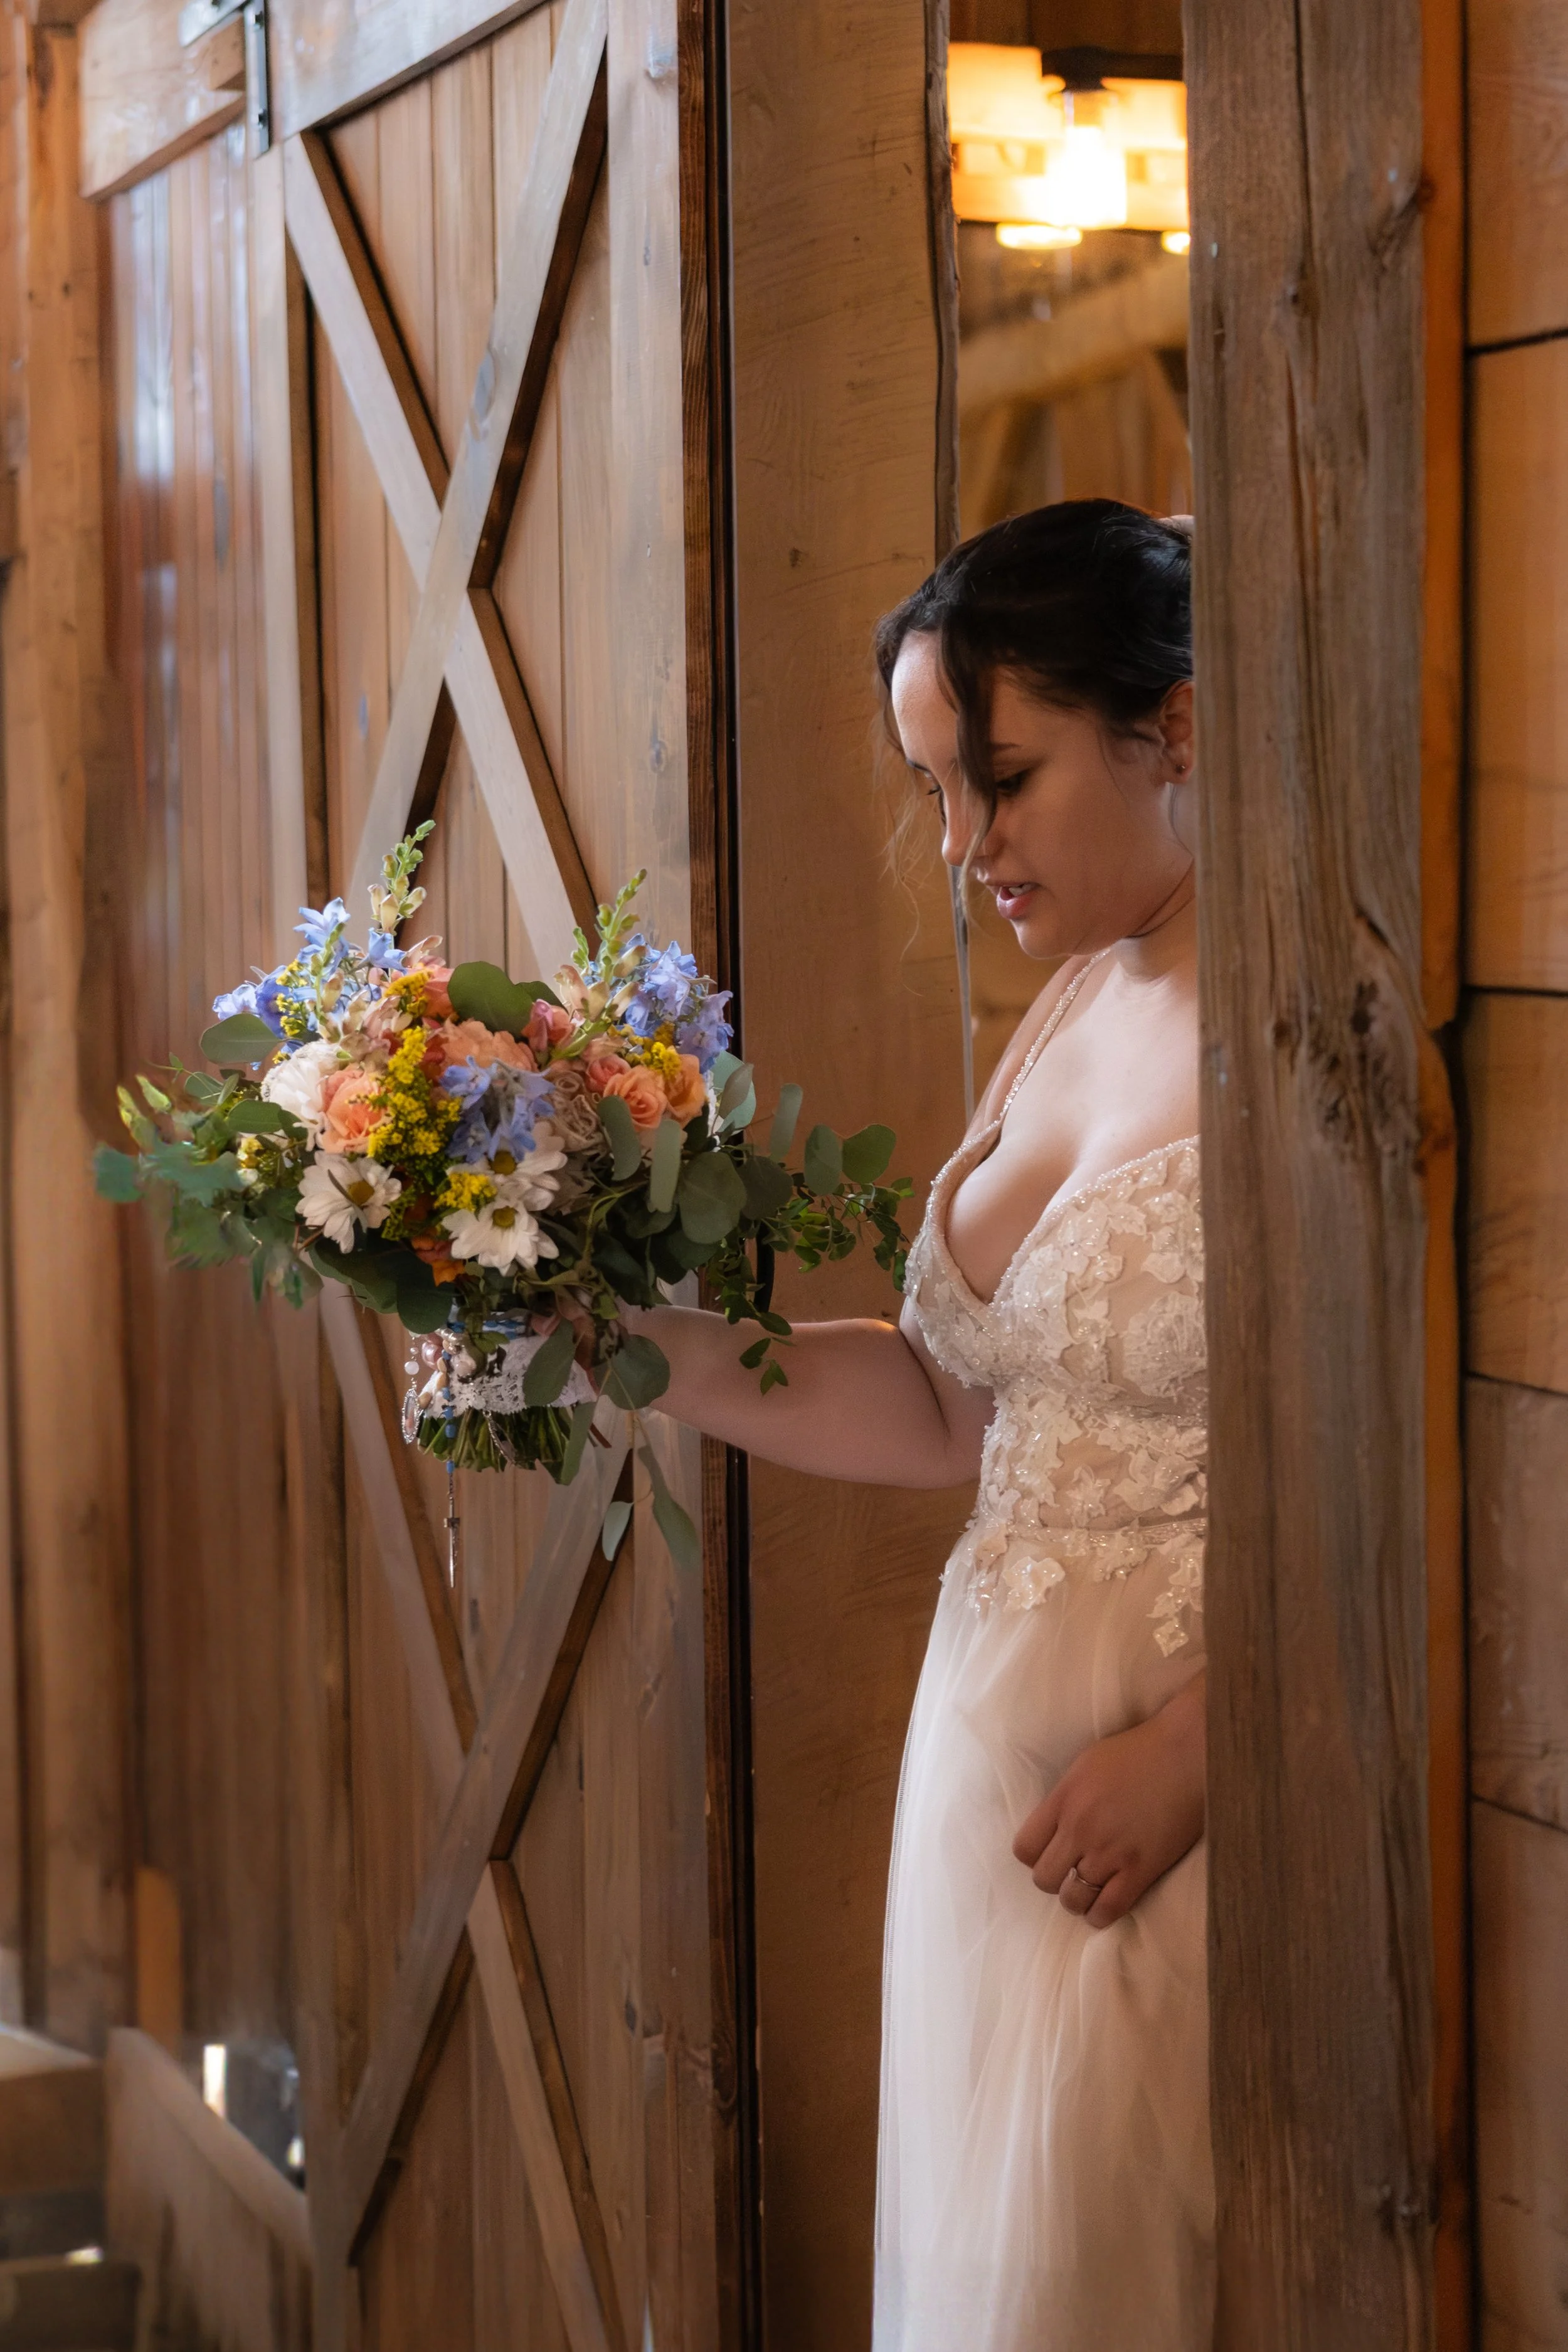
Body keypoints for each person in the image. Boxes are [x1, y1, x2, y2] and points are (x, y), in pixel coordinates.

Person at [635, 500, 1212, 2348]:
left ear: (1172, 728)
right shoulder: (1062, 1008)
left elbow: (1395, 1465)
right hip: (984, 1794)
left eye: (1005, 779)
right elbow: (952, 1405)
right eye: (934, 790)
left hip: (1172, 1811)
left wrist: (1212, 1746)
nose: (962, 843)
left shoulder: (1299, 1026)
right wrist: (619, 1342)